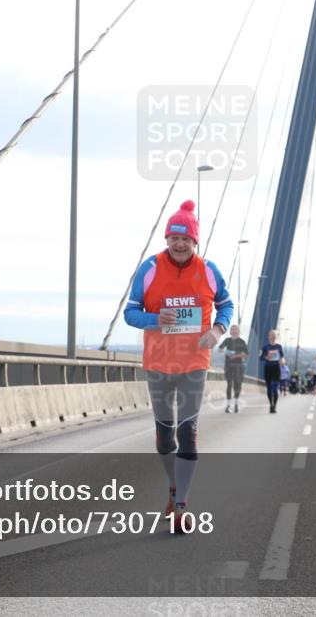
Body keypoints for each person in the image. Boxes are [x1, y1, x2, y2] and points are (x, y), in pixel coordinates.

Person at [124, 199, 232, 534]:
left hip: (194, 363)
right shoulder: (150, 268)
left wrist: (218, 330)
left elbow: (226, 305)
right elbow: (130, 313)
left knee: (187, 431)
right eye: (174, 238)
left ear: (195, 241)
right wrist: (156, 319)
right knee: (164, 435)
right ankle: (173, 487)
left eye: (186, 238)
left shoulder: (209, 270)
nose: (180, 244)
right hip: (158, 363)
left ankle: (182, 504)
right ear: (167, 239)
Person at [217, 324, 248, 413]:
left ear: (238, 331)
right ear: (230, 331)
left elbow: (246, 354)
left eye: (235, 329)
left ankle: (236, 404)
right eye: (232, 329)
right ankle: (228, 406)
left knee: (237, 385)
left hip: (238, 365)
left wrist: (235, 355)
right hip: (228, 365)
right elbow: (219, 349)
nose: (234, 331)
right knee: (229, 384)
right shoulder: (227, 340)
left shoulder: (242, 341)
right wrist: (226, 351)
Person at [260, 330, 284, 413]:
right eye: (271, 335)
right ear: (269, 336)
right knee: (269, 389)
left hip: (276, 368)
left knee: (275, 388)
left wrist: (282, 361)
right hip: (268, 368)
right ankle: (271, 404)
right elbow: (261, 357)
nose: (273, 336)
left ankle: (274, 406)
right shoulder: (265, 347)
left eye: (274, 335)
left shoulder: (279, 347)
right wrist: (267, 357)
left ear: (276, 336)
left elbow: (282, 357)